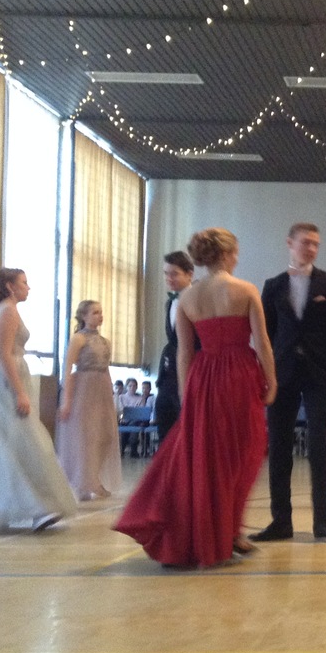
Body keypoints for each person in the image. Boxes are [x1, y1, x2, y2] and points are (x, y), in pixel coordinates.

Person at [115, 228, 277, 567]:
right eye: (235, 252)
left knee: (208, 455)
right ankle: (229, 531)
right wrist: (271, 380)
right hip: (239, 373)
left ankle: (224, 531)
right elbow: (262, 342)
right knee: (243, 453)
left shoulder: (186, 299)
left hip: (203, 377)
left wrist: (186, 390)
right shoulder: (246, 290)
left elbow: (184, 352)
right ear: (227, 254)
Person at [251, 222, 326, 542]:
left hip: (318, 373)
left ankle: (322, 521)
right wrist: (271, 363)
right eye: (305, 242)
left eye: (316, 244)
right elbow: (265, 332)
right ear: (290, 243)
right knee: (279, 446)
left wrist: (325, 351)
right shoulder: (273, 285)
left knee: (318, 446)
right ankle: (280, 522)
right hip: (282, 373)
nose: (311, 248)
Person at [0, 268, 75, 534]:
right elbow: (3, 353)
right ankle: (37, 508)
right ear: (10, 286)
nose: (28, 287)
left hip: (11, 376)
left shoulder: (9, 311)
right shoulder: (7, 312)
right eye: (24, 283)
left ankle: (33, 508)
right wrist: (19, 392)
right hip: (4, 382)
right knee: (20, 441)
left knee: (15, 443)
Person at [56, 300, 122, 500]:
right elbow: (67, 369)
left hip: (101, 389)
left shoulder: (105, 342)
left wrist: (111, 394)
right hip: (83, 389)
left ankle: (93, 478)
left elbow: (106, 369)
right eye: (95, 312)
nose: (100, 316)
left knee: (105, 435)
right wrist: (67, 400)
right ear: (84, 316)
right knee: (85, 437)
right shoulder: (78, 339)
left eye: (100, 312)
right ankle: (82, 483)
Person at [154, 250, 194, 443]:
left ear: (189, 274)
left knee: (186, 429)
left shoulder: (197, 300)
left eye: (174, 274)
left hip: (189, 370)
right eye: (166, 273)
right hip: (167, 374)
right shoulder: (170, 303)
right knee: (165, 426)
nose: (169, 278)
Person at [118, 377, 150, 458]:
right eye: (130, 386)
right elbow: (121, 410)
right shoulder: (121, 397)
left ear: (136, 387)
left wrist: (130, 412)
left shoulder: (141, 398)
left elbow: (140, 411)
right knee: (128, 423)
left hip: (135, 420)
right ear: (126, 387)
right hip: (124, 420)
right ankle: (132, 450)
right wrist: (129, 413)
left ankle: (125, 449)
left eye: (134, 386)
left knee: (134, 423)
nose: (132, 388)